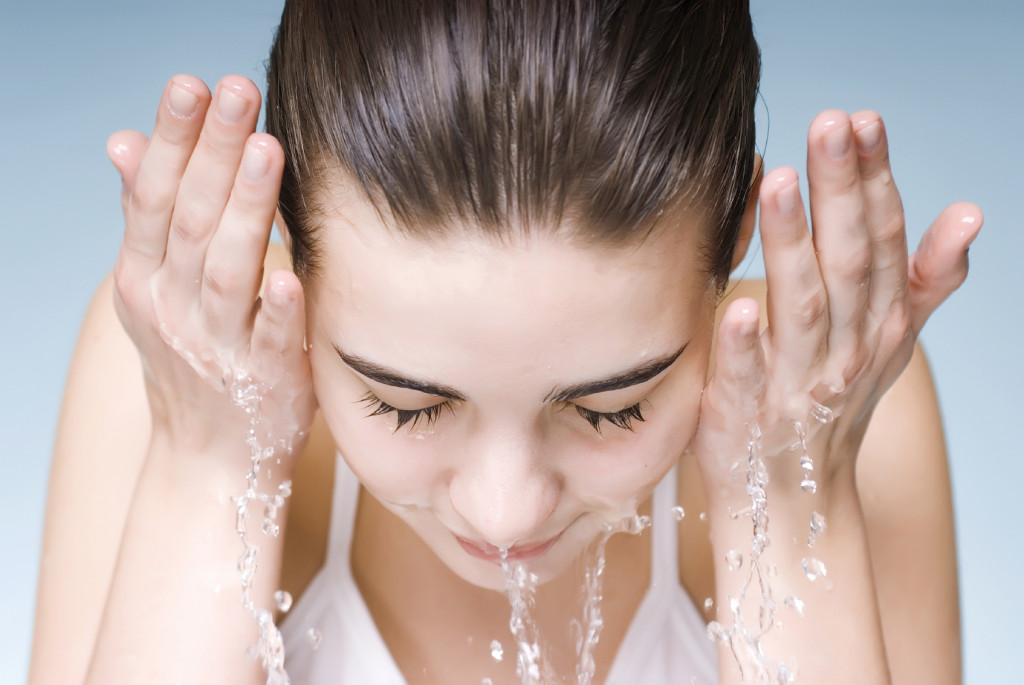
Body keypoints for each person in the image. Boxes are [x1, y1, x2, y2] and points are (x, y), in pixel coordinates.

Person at [29, 0, 978, 683]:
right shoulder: (181, 369)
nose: (506, 510)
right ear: (296, 260)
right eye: (405, 403)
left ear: (731, 248)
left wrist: (788, 483)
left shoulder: (820, 397)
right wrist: (209, 460)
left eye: (615, 408)